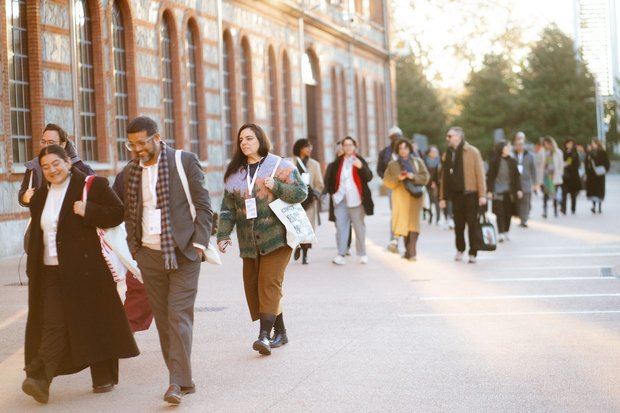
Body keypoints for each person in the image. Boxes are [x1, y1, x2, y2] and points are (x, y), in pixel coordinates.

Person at [22, 145, 139, 404]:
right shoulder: (40, 197)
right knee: (53, 323)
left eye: (56, 163)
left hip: (87, 270)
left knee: (95, 321)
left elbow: (118, 213)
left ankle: (103, 376)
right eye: (46, 167)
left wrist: (90, 211)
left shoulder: (92, 185)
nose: (52, 170)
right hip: (51, 272)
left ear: (68, 162)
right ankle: (40, 379)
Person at [123, 116, 213, 405]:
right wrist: (134, 249)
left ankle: (175, 382)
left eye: (142, 143)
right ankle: (182, 380)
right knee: (163, 321)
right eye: (132, 144)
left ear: (157, 138)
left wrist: (198, 244)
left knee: (178, 315)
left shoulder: (183, 162)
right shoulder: (130, 171)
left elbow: (203, 206)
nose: (137, 149)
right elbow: (124, 211)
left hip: (184, 253)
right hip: (149, 255)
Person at [217, 124, 307, 356]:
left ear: (260, 140)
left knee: (269, 283)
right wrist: (223, 234)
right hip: (249, 243)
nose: (244, 143)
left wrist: (277, 186)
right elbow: (227, 209)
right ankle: (281, 332)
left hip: (277, 238)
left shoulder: (279, 165)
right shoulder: (235, 173)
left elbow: (301, 192)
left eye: (249, 138)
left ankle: (264, 336)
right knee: (256, 287)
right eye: (241, 140)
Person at [112, 170, 154, 333]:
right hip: (138, 241)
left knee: (174, 295)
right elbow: (115, 206)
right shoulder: (127, 174)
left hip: (170, 241)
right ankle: (126, 332)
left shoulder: (176, 167)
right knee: (139, 286)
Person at [439, 127, 487, 264]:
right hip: (456, 195)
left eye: (450, 136)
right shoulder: (447, 154)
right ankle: (460, 249)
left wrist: (482, 195)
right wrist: (442, 197)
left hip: (471, 193)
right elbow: (444, 177)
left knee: (472, 224)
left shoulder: (472, 151)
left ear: (458, 137)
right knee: (458, 225)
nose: (447, 139)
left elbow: (480, 174)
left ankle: (473, 252)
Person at [325, 137, 374, 265]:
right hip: (340, 200)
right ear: (342, 147)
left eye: (350, 145)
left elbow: (369, 177)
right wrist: (333, 193)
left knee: (359, 227)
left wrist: (361, 167)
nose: (348, 147)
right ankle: (341, 254)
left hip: (356, 200)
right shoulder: (337, 162)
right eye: (345, 145)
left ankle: (362, 253)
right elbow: (330, 179)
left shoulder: (359, 160)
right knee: (341, 228)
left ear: (354, 146)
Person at [19, 123, 94, 207]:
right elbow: (22, 194)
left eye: (51, 142)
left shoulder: (83, 169)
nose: (45, 146)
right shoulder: (33, 166)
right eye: (43, 142)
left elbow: (97, 200)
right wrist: (25, 197)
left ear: (63, 144)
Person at [382, 139, 430, 260]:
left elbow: (426, 177)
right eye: (401, 148)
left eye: (406, 148)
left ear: (410, 149)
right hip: (400, 197)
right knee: (404, 224)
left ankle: (412, 253)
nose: (403, 151)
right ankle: (408, 252)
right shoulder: (392, 164)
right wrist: (398, 178)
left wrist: (413, 176)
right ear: (397, 150)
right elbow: (387, 182)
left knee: (414, 224)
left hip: (415, 196)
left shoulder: (417, 161)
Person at [291, 139, 324, 264]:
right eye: (307, 147)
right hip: (294, 201)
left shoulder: (314, 164)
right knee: (296, 227)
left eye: (311, 147)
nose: (310, 149)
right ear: (300, 148)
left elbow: (319, 184)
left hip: (309, 201)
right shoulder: (291, 163)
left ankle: (305, 254)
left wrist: (316, 194)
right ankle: (298, 246)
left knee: (307, 229)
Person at [487, 142, 522, 242]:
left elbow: (517, 177)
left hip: (510, 191)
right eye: (507, 147)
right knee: (499, 213)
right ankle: (500, 233)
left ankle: (506, 231)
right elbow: (490, 177)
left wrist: (519, 189)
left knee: (508, 213)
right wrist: (489, 190)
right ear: (501, 149)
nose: (508, 149)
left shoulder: (512, 161)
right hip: (497, 191)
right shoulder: (494, 161)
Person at [377, 126, 403, 253]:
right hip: (392, 187)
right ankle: (394, 240)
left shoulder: (406, 149)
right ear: (390, 138)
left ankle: (407, 241)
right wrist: (387, 180)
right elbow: (379, 169)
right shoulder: (384, 152)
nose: (396, 138)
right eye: (393, 136)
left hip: (405, 186)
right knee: (395, 212)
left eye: (398, 136)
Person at [513, 132, 537, 227]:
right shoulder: (513, 155)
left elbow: (533, 170)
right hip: (516, 182)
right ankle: (521, 217)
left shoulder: (529, 156)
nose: (520, 146)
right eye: (518, 145)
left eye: (521, 145)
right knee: (518, 202)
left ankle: (524, 220)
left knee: (526, 201)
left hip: (526, 182)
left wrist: (535, 183)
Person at [540, 136, 564, 219]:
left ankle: (555, 211)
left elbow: (561, 165)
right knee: (545, 195)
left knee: (555, 195)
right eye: (545, 144)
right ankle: (545, 211)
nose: (546, 145)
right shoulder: (543, 152)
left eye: (547, 144)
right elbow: (541, 164)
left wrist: (560, 174)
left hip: (555, 176)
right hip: (546, 177)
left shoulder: (558, 152)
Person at [585, 138, 610, 214]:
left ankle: (599, 206)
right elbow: (587, 162)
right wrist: (587, 172)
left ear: (597, 144)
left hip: (599, 175)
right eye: (592, 143)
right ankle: (593, 206)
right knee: (592, 191)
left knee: (599, 190)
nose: (592, 144)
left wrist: (605, 170)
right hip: (591, 175)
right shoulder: (590, 152)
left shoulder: (602, 152)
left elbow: (607, 162)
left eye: (594, 143)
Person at [561, 139, 581, 215]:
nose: (569, 145)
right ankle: (563, 208)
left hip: (573, 176)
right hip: (565, 176)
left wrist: (570, 164)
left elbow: (578, 164)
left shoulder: (575, 153)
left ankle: (573, 208)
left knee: (573, 194)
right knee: (564, 193)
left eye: (571, 143)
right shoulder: (563, 152)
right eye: (568, 143)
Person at [424, 145, 442, 225]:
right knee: (428, 201)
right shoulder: (425, 161)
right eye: (432, 152)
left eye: (436, 152)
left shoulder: (440, 161)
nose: (434, 153)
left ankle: (438, 218)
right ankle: (430, 215)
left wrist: (435, 182)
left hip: (436, 184)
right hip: (427, 183)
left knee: (436, 201)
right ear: (429, 153)